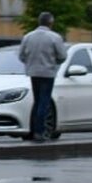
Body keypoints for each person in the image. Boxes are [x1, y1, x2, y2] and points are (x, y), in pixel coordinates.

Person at [18, 11, 67, 142]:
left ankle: (34, 129)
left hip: (33, 72)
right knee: (44, 102)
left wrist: (30, 63)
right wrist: (54, 62)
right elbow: (62, 56)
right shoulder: (54, 37)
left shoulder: (28, 36)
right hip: (48, 72)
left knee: (37, 100)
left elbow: (21, 56)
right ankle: (40, 131)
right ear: (50, 22)